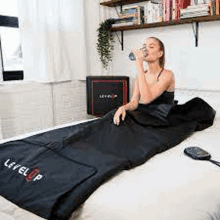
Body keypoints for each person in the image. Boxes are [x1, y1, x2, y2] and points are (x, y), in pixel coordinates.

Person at [113, 36, 175, 125]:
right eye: (144, 46)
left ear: (160, 54)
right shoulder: (142, 74)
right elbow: (134, 102)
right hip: (143, 113)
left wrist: (139, 63)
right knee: (114, 116)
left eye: (151, 47)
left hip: (160, 117)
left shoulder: (167, 74)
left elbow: (146, 99)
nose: (146, 49)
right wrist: (124, 107)